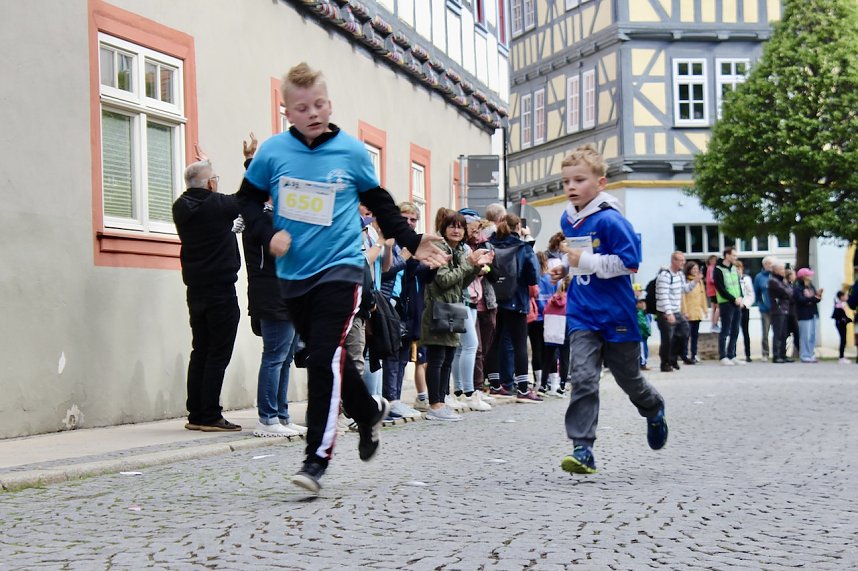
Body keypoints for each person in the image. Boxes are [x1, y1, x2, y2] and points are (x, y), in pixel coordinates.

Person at [236, 62, 448, 494]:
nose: (312, 112)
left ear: (329, 104)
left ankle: (317, 457)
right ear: (287, 112)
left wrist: (411, 239)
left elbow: (381, 203)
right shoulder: (273, 153)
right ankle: (367, 409)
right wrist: (267, 233)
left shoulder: (350, 153)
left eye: (319, 104)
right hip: (294, 274)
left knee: (320, 357)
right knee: (325, 355)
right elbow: (246, 201)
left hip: (343, 268)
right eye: (301, 107)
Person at [550, 144, 667, 475]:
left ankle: (653, 406)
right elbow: (577, 257)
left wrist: (582, 261)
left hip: (616, 313)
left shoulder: (611, 220)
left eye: (579, 180)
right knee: (583, 377)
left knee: (629, 379)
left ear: (600, 183)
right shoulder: (567, 218)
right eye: (566, 181)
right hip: (582, 312)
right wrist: (565, 268)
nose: (571, 187)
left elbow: (630, 263)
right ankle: (582, 448)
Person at [240, 133, 306, 437]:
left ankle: (280, 413)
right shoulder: (261, 220)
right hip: (272, 295)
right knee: (275, 356)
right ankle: (267, 417)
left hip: (288, 296)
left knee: (286, 356)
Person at [172, 159, 242, 433]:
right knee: (218, 352)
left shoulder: (180, 206)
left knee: (200, 349)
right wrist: (249, 162)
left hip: (196, 289)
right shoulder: (217, 205)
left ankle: (196, 413)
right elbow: (247, 196)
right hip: (221, 289)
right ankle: (211, 414)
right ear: (211, 183)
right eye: (216, 178)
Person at [421, 210, 492, 421]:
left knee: (448, 356)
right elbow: (443, 280)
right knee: (437, 358)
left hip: (455, 306)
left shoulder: (460, 250)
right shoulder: (440, 249)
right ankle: (435, 404)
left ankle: (442, 401)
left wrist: (475, 267)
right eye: (452, 226)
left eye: (460, 227)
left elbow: (461, 283)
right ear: (443, 228)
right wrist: (468, 264)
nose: (457, 230)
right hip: (438, 307)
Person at [485, 213, 542, 403]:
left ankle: (494, 385)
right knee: (519, 344)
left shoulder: (489, 244)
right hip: (517, 299)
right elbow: (534, 276)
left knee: (495, 341)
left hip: (493, 299)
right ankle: (524, 389)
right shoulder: (523, 247)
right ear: (518, 226)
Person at [654, 251, 697, 371]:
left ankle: (674, 357)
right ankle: (665, 363)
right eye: (681, 260)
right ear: (674, 261)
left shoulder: (680, 275)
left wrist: (695, 281)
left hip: (676, 311)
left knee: (684, 332)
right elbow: (663, 295)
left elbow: (685, 289)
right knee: (667, 338)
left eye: (684, 260)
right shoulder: (665, 276)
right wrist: (669, 313)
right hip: (665, 312)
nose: (683, 263)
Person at [713, 247, 745, 366]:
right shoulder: (718, 269)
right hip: (726, 302)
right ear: (726, 255)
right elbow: (720, 288)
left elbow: (738, 285)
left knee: (736, 329)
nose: (735, 258)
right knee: (725, 329)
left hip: (737, 302)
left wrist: (741, 297)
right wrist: (733, 298)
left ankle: (732, 354)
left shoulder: (734, 269)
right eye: (733, 255)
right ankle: (723, 355)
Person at [680, 261, 707, 364]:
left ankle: (694, 354)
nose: (695, 271)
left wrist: (704, 309)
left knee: (695, 335)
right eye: (693, 269)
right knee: (686, 335)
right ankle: (685, 354)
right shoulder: (686, 281)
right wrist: (685, 311)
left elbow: (702, 296)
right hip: (688, 312)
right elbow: (683, 297)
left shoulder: (699, 282)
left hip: (697, 311)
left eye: (697, 269)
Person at [793, 267, 822, 363]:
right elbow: (801, 300)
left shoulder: (811, 286)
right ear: (804, 277)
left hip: (813, 312)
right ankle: (805, 355)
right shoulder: (798, 287)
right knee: (805, 335)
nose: (811, 276)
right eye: (809, 275)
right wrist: (813, 298)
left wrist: (818, 296)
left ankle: (811, 354)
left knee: (812, 335)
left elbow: (814, 299)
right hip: (804, 314)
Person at [768, 261, 794, 364]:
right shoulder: (773, 281)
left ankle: (783, 354)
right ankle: (776, 355)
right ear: (776, 270)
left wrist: (787, 290)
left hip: (785, 309)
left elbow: (791, 292)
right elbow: (785, 292)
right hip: (778, 310)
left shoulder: (782, 281)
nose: (784, 271)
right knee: (778, 333)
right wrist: (787, 291)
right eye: (782, 269)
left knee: (784, 334)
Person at [753, 256, 774, 360]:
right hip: (765, 309)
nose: (771, 266)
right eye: (769, 264)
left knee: (778, 332)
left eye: (772, 264)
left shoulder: (775, 276)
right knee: (765, 332)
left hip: (776, 309)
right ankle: (765, 353)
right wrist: (760, 304)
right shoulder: (759, 277)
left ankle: (777, 351)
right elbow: (756, 293)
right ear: (764, 265)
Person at [736, 260, 756, 363]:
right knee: (733, 332)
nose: (737, 271)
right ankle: (732, 354)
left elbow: (751, 294)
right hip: (734, 307)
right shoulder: (731, 280)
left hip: (744, 308)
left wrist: (745, 304)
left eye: (739, 268)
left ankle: (748, 354)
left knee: (745, 332)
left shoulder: (746, 279)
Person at [831, 291, 853, 364]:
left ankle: (842, 356)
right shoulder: (838, 305)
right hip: (840, 325)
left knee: (844, 340)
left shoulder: (841, 304)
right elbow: (840, 317)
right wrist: (847, 320)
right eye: (845, 296)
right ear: (841, 297)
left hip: (841, 324)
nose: (847, 297)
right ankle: (841, 358)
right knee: (843, 340)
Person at [704, 255, 720, 332]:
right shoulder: (712, 268)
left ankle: (713, 324)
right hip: (714, 291)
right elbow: (711, 279)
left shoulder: (709, 268)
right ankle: (715, 324)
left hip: (711, 291)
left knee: (714, 309)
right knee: (718, 308)